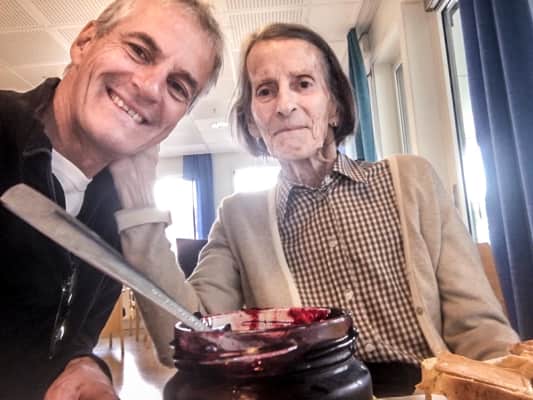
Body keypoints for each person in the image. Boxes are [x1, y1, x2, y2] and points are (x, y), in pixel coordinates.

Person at [111, 23, 519, 397]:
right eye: (265, 91)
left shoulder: (413, 182)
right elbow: (186, 340)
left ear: (334, 107)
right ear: (252, 122)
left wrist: (507, 388)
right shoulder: (238, 219)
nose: (285, 105)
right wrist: (139, 204)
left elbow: (479, 330)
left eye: (303, 84)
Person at [0, 0, 223, 398]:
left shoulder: (113, 210)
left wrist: (85, 365)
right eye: (139, 51)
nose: (150, 87)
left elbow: (74, 335)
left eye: (177, 86)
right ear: (85, 42)